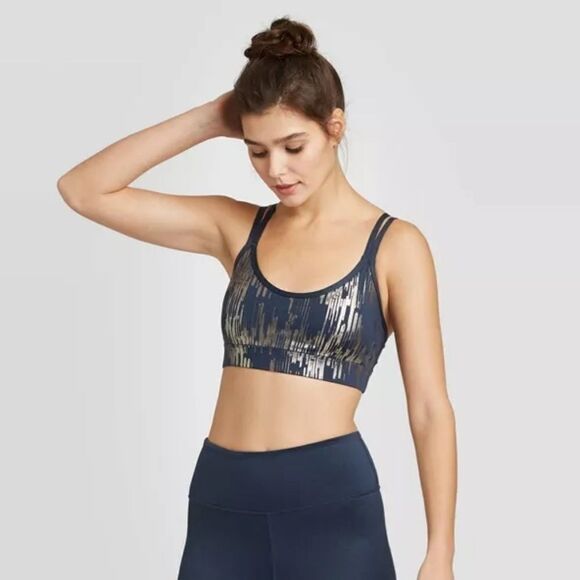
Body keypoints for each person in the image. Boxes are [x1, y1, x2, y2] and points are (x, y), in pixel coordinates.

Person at [57, 16, 457, 580]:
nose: (276, 170)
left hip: (330, 506)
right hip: (223, 503)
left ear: (334, 127)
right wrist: (210, 118)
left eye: (293, 146)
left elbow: (430, 408)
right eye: (257, 151)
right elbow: (83, 190)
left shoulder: (395, 246)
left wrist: (440, 552)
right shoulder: (237, 229)